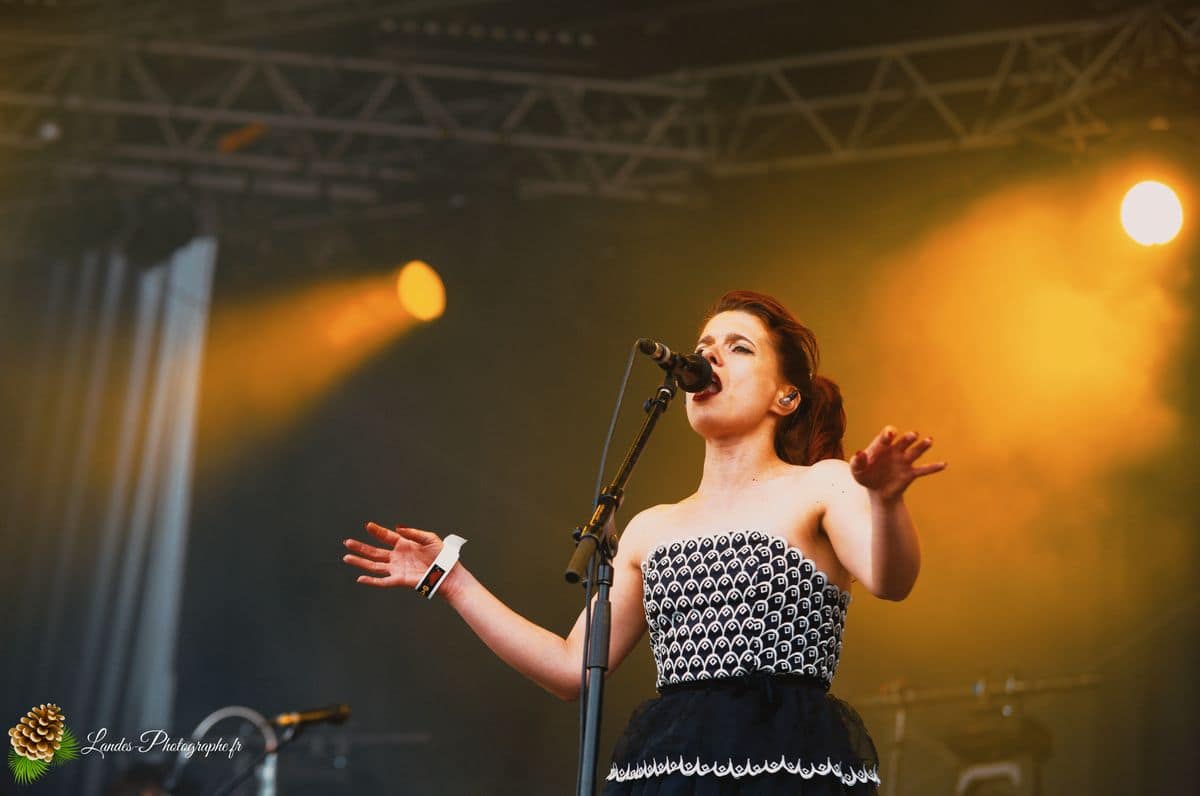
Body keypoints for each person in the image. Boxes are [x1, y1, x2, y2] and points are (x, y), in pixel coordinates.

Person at [342, 289, 946, 794]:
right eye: (705, 348)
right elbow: (572, 669)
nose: (710, 359)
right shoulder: (651, 525)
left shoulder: (822, 484)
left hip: (785, 763)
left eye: (739, 349)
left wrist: (887, 501)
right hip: (670, 767)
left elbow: (892, 582)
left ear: (785, 396)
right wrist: (452, 581)